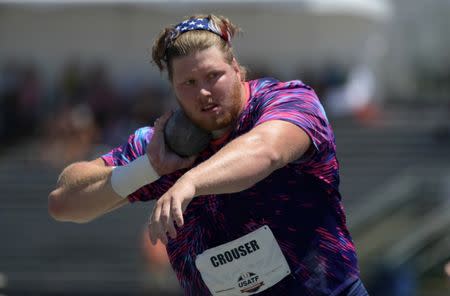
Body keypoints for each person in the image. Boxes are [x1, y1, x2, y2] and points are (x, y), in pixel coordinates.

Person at [48, 14, 368, 296]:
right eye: (188, 82)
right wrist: (149, 168)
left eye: (213, 76)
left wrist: (190, 182)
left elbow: (266, 150)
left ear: (236, 69)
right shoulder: (164, 144)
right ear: (173, 89)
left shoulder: (288, 100)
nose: (203, 91)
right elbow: (64, 202)